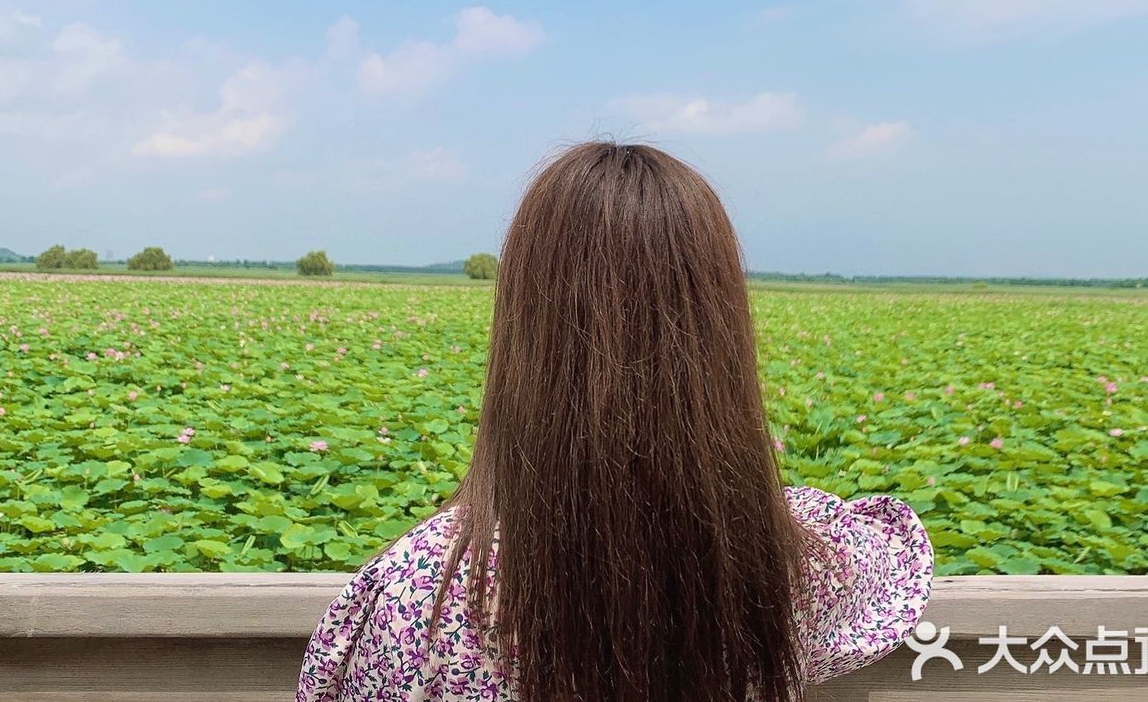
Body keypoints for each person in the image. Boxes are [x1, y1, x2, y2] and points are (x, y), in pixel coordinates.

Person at [296, 142, 933, 702]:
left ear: (523, 329)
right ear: (719, 334)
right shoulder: (778, 568)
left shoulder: (418, 592)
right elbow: (895, 544)